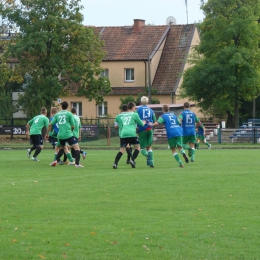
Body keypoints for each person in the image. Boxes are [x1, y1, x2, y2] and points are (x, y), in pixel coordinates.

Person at [46, 101, 83, 168]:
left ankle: (55, 161)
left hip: (60, 135)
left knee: (63, 148)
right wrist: (71, 131)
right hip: (68, 134)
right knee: (77, 148)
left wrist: (47, 133)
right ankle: (77, 164)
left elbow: (50, 124)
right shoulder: (69, 114)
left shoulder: (57, 114)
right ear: (68, 106)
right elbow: (73, 126)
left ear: (61, 107)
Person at [113, 102, 146, 169]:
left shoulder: (122, 115)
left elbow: (120, 125)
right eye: (134, 107)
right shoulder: (134, 114)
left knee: (122, 150)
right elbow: (141, 124)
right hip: (131, 133)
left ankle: (115, 164)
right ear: (133, 107)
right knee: (137, 148)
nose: (135, 109)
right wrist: (144, 122)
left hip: (123, 133)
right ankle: (132, 160)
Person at [136, 96, 156, 168]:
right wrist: (153, 128)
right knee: (149, 147)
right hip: (150, 129)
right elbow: (154, 120)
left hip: (142, 129)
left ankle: (148, 156)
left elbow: (136, 119)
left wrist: (136, 128)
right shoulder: (151, 110)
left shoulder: (138, 109)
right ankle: (152, 163)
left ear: (141, 102)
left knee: (142, 148)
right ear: (147, 102)